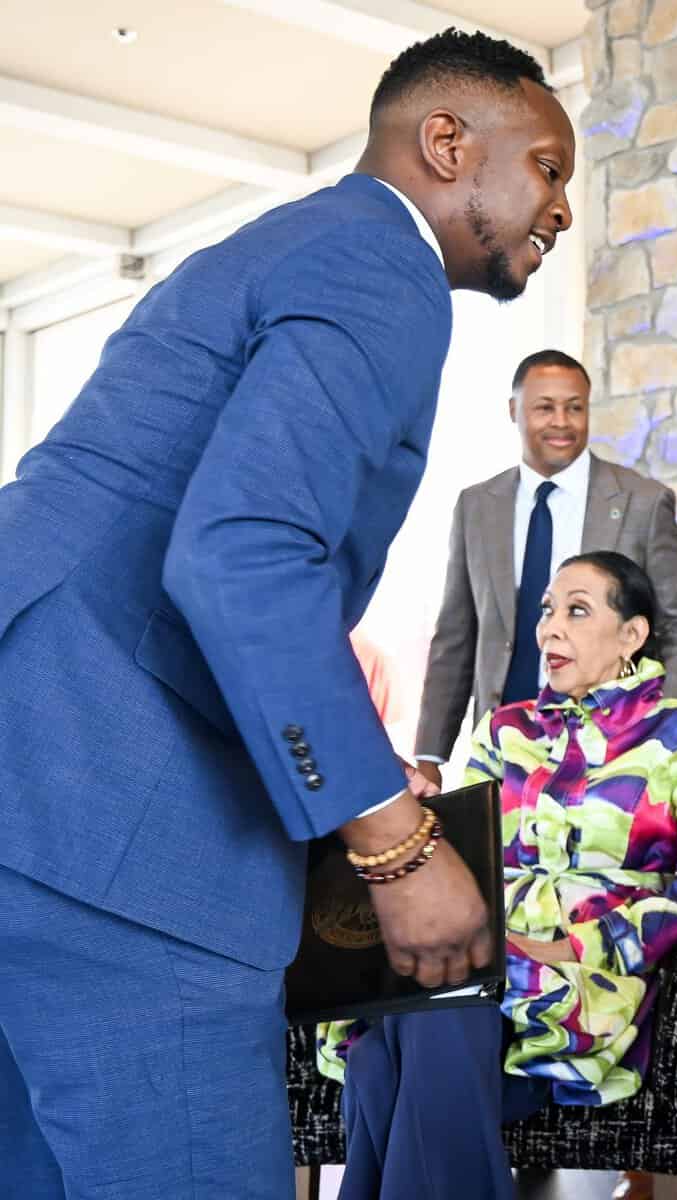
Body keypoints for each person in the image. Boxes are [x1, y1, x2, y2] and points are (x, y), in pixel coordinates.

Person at [0, 30, 574, 1198]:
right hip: (118, 822)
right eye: (548, 168)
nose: (560, 208)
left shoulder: (279, 246)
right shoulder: (380, 263)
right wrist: (392, 842)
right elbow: (243, 556)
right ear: (447, 143)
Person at [319, 550, 677, 1200]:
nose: (550, 628)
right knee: (392, 1046)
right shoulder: (503, 730)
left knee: (387, 1057)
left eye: (577, 611)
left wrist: (573, 946)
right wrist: (417, 813)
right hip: (484, 964)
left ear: (631, 634)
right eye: (548, 611)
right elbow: (463, 859)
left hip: (583, 985)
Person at [412, 349, 677, 791]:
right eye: (545, 408)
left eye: (575, 407)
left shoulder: (643, 502)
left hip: (611, 746)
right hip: (504, 746)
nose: (562, 422)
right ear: (514, 410)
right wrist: (431, 755)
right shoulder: (477, 506)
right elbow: (456, 635)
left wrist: (657, 730)